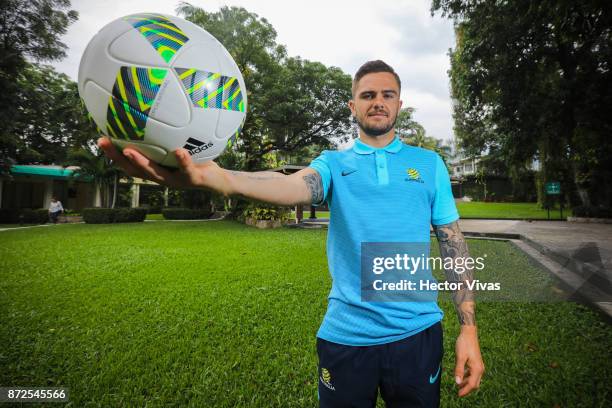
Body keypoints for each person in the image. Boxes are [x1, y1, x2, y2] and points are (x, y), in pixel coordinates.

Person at [99, 59, 484, 407]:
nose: (378, 102)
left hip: (417, 335)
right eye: (367, 95)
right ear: (353, 107)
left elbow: (454, 247)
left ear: (400, 103)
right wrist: (219, 178)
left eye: (387, 94)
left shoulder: (429, 164)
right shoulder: (334, 164)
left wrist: (469, 330)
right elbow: (295, 185)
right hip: (346, 336)